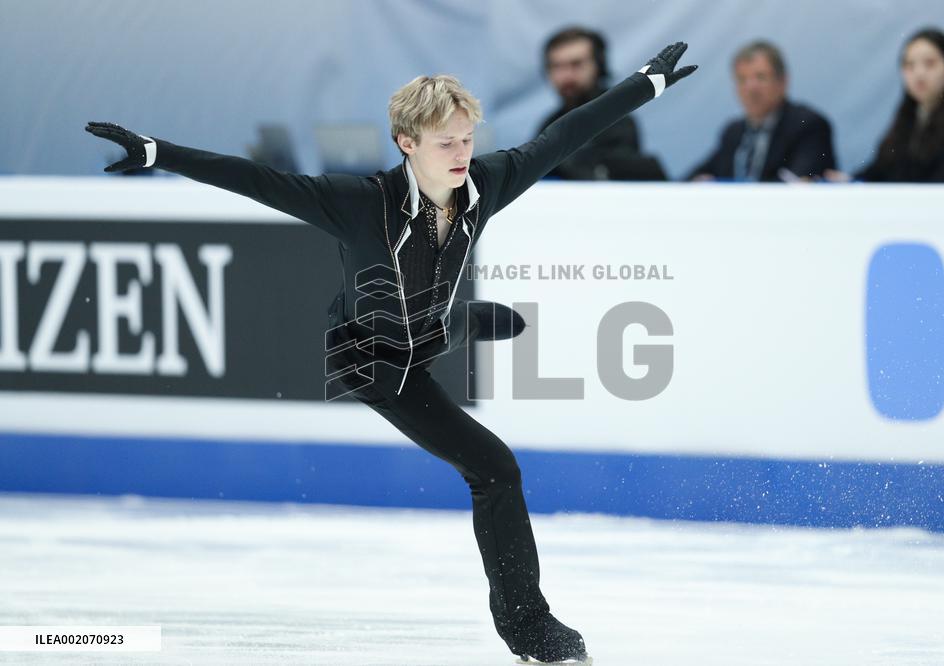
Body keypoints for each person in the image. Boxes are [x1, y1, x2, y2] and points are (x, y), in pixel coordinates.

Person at [85, 41, 697, 664]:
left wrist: (645, 85)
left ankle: (463, 321)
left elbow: (564, 136)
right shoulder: (358, 203)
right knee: (496, 470)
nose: (462, 155)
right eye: (446, 143)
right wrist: (157, 153)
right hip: (370, 360)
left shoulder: (483, 183)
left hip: (425, 324)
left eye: (467, 139)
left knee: (445, 324)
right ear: (407, 143)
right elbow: (257, 180)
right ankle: (528, 627)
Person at [825, 28, 944, 184]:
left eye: (930, 63)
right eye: (909, 65)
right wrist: (848, 181)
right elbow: (877, 172)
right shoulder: (903, 126)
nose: (919, 73)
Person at [687, 40, 836, 182]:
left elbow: (796, 185)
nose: (751, 88)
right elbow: (692, 179)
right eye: (742, 79)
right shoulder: (733, 132)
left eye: (760, 77)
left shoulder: (808, 125)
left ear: (783, 81)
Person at [537, 26, 667, 181]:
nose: (566, 76)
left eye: (576, 64)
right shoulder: (549, 123)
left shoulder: (618, 120)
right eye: (557, 66)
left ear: (598, 65)